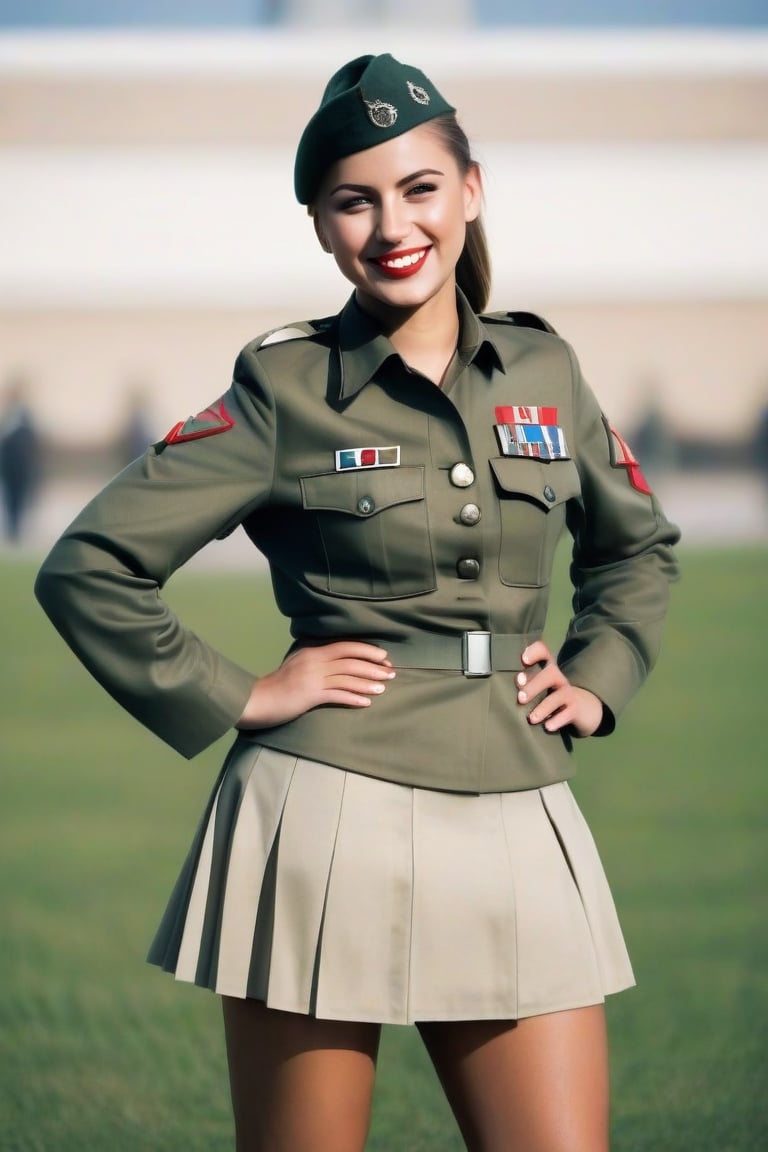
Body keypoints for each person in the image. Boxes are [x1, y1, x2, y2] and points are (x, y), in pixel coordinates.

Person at [35, 53, 680, 1152]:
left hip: (521, 800)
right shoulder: (282, 389)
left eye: (419, 188)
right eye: (355, 201)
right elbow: (89, 565)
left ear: (471, 191)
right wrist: (242, 693)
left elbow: (639, 548)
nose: (392, 226)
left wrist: (600, 674)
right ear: (321, 226)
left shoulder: (546, 370)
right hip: (325, 814)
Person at [0, 376, 42, 542]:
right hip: (8, 468)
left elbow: (30, 442)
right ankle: (12, 530)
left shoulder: (25, 416)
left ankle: (16, 531)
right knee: (10, 499)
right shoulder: (7, 416)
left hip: (22, 468)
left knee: (19, 500)